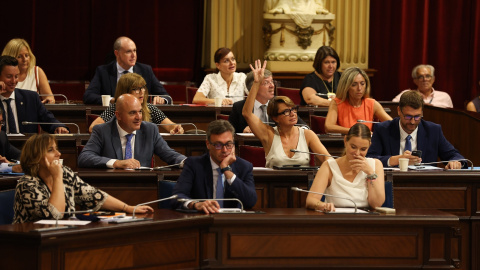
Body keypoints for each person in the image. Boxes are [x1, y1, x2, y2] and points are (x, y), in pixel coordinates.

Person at [13, 134, 153, 223]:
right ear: (36, 157)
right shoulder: (27, 185)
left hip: (62, 237)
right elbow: (55, 215)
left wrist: (128, 208)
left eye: (57, 148)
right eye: (51, 150)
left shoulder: (65, 174)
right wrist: (57, 177)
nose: (58, 153)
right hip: (30, 246)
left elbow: (93, 195)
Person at [243, 60, 331, 168]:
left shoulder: (308, 135)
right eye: (286, 112)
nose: (292, 114)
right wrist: (256, 83)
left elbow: (326, 158)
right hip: (274, 183)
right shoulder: (268, 134)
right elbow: (247, 113)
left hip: (302, 184)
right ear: (275, 118)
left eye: (293, 109)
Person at [78, 94, 186, 169]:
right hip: (112, 185)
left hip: (142, 186)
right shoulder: (102, 130)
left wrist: (186, 162)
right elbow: (84, 157)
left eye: (140, 112)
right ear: (118, 115)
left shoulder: (150, 130)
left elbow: (169, 154)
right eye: (132, 113)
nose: (138, 117)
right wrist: (116, 163)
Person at [172, 120, 257, 213]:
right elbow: (177, 196)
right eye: (218, 145)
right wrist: (196, 204)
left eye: (228, 144)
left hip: (232, 223)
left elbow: (251, 201)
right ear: (208, 144)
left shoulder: (244, 166)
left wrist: (227, 170)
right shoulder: (194, 165)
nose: (224, 150)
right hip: (203, 220)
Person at [367, 90, 465, 169]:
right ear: (398, 111)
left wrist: (455, 162)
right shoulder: (383, 129)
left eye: (417, 117)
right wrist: (396, 159)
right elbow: (369, 159)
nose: (413, 122)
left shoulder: (433, 131)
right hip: (393, 184)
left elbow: (454, 155)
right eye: (408, 117)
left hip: (424, 187)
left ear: (422, 112)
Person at [306, 123, 385, 212]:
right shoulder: (329, 166)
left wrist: (370, 174)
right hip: (336, 219)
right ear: (345, 141)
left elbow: (376, 204)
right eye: (353, 147)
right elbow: (311, 200)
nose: (357, 153)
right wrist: (322, 205)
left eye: (363, 149)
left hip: (365, 220)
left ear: (369, 146)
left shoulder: (376, 165)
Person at [83, 36, 170, 105]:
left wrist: (162, 99)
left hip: (141, 118)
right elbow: (88, 96)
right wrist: (113, 100)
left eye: (135, 51)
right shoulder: (103, 72)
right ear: (117, 53)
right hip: (113, 117)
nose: (133, 55)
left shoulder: (146, 70)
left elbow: (167, 97)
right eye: (128, 52)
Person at [88, 73, 183, 134]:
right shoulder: (115, 109)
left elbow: (170, 125)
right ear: (126, 91)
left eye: (143, 88)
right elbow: (93, 128)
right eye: (136, 89)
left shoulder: (149, 108)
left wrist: (176, 128)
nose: (142, 92)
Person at [0, 56, 68, 134]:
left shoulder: (30, 98)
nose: (14, 81)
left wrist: (58, 127)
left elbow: (48, 119)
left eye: (16, 76)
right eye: (9, 77)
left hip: (27, 145)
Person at [229, 68, 309, 133]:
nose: (272, 86)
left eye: (272, 81)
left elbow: (305, 127)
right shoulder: (239, 107)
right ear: (254, 88)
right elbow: (229, 133)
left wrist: (294, 130)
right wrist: (243, 130)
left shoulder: (280, 105)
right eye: (266, 83)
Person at [325, 67, 392, 134]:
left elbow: (392, 125)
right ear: (346, 87)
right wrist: (356, 132)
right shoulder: (337, 103)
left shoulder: (372, 103)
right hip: (344, 143)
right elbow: (328, 127)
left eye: (362, 84)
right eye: (354, 85)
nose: (359, 88)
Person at [2, 39, 55, 104]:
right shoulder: (2, 72)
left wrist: (48, 101)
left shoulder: (37, 72)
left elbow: (50, 98)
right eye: (19, 56)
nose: (24, 59)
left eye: (26, 55)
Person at [0, 107, 21, 173]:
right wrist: (9, 167)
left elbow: (20, 155)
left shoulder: (2, 137)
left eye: (0, 123)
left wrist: (10, 164)